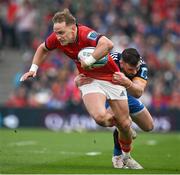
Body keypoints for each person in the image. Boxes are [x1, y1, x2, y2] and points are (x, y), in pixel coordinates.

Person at [20, 8, 136, 168]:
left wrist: (90, 60)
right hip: (89, 80)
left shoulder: (85, 34)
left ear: (73, 28)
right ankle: (123, 130)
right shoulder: (57, 38)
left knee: (126, 124)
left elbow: (108, 44)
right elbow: (42, 48)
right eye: (56, 32)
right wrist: (33, 69)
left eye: (61, 32)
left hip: (112, 78)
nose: (58, 37)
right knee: (101, 118)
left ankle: (127, 156)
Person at [74, 48, 154, 169]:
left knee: (149, 126)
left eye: (136, 68)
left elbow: (138, 92)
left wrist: (127, 82)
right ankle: (119, 156)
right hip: (108, 95)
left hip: (127, 94)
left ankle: (125, 128)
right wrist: (77, 79)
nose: (134, 72)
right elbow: (86, 69)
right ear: (121, 63)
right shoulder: (107, 59)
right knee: (121, 121)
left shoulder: (141, 66)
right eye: (130, 69)